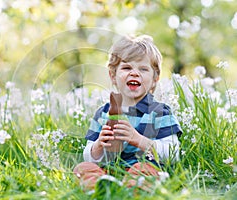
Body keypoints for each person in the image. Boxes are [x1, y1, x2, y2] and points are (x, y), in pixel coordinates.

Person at [73, 34, 182, 191]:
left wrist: (138, 139)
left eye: (143, 69)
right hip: (107, 171)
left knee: (144, 170)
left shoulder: (160, 112)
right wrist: (98, 146)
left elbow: (174, 154)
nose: (134, 73)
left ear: (155, 78)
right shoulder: (103, 114)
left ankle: (129, 190)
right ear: (113, 76)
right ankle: (102, 189)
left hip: (143, 169)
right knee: (83, 168)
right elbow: (90, 156)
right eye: (126, 68)